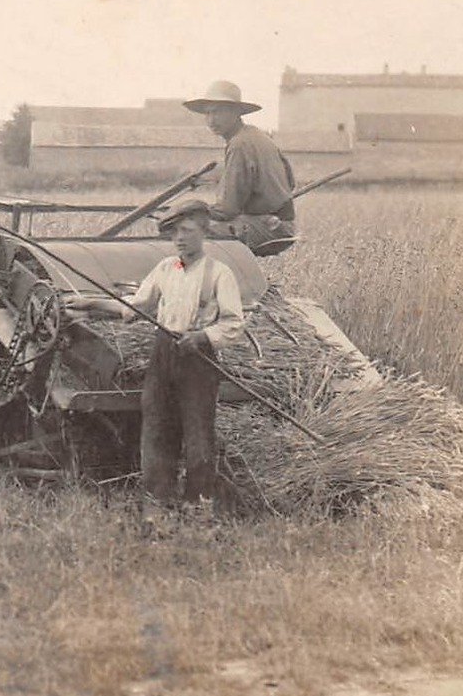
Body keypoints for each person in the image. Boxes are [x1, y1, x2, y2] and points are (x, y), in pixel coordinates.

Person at [65, 198, 244, 511]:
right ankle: (158, 500)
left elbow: (233, 323)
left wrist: (202, 337)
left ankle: (198, 503)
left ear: (204, 232)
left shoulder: (219, 274)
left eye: (187, 230)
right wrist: (92, 304)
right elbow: (135, 307)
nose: (180, 238)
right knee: (157, 426)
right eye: (174, 232)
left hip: (198, 360)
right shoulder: (165, 268)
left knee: (198, 431)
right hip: (163, 355)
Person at [183, 80, 297, 255]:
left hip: (269, 226)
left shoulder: (239, 145)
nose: (212, 120)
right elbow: (291, 182)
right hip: (278, 223)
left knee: (188, 235)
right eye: (208, 113)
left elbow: (227, 209)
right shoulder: (257, 135)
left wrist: (193, 211)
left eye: (218, 112)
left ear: (236, 112)